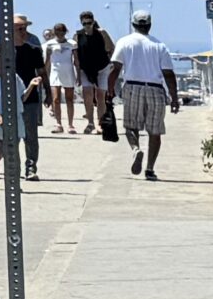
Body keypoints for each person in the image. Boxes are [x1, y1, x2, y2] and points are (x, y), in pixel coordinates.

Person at [115, 11, 183, 178]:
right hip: (155, 89)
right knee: (155, 130)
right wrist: (174, 97)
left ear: (133, 25)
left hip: (132, 87)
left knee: (131, 126)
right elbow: (168, 73)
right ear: (150, 25)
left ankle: (136, 149)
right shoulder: (159, 45)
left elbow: (115, 67)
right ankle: (150, 169)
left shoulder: (124, 42)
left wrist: (110, 89)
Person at [2, 14, 49, 179]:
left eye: (25, 28)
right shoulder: (2, 51)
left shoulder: (33, 50)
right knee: (12, 137)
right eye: (20, 29)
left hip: (30, 100)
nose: (24, 32)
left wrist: (48, 93)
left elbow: (42, 72)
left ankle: (31, 167)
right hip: (9, 100)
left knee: (31, 136)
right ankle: (14, 169)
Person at [74, 12, 117, 146]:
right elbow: (75, 55)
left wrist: (112, 65)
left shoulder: (101, 33)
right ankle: (90, 122)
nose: (87, 26)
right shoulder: (77, 35)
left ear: (93, 22)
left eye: (89, 23)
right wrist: (77, 73)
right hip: (86, 69)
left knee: (100, 95)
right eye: (84, 23)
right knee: (87, 94)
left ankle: (100, 122)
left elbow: (111, 47)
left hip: (102, 67)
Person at [45, 15, 80, 136]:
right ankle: (58, 123)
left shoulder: (72, 44)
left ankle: (70, 124)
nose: (60, 33)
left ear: (65, 31)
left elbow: (76, 60)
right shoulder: (50, 44)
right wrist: (44, 75)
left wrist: (78, 75)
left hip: (68, 72)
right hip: (55, 72)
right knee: (56, 99)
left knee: (69, 99)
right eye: (57, 30)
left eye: (62, 30)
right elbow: (47, 61)